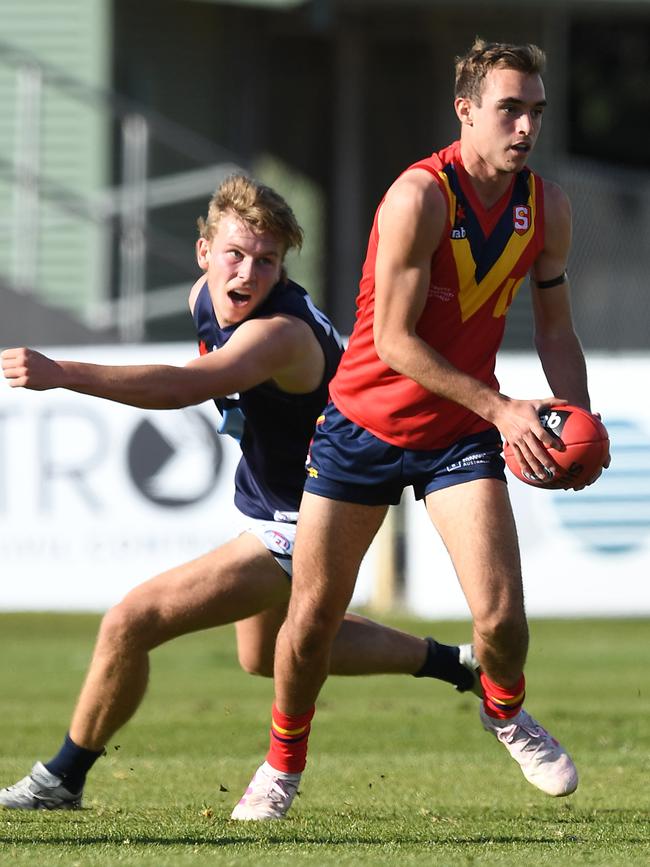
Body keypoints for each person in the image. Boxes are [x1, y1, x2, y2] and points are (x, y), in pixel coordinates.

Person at [0, 174, 479, 811]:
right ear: (204, 253)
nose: (248, 272)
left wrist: (63, 373)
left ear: (283, 268)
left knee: (131, 621)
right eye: (235, 255)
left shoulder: (280, 332)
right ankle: (458, 665)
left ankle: (62, 777)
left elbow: (183, 386)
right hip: (276, 502)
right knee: (266, 653)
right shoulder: (211, 297)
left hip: (314, 513)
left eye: (267, 261)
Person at [231, 40, 611, 821]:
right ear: (465, 110)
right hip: (362, 425)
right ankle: (281, 763)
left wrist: (581, 421)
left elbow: (555, 328)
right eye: (510, 108)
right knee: (309, 623)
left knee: (502, 616)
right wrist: (503, 408)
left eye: (536, 110)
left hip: (458, 435)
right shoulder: (418, 197)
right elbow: (398, 342)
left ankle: (503, 709)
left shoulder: (548, 207)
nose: (526, 126)